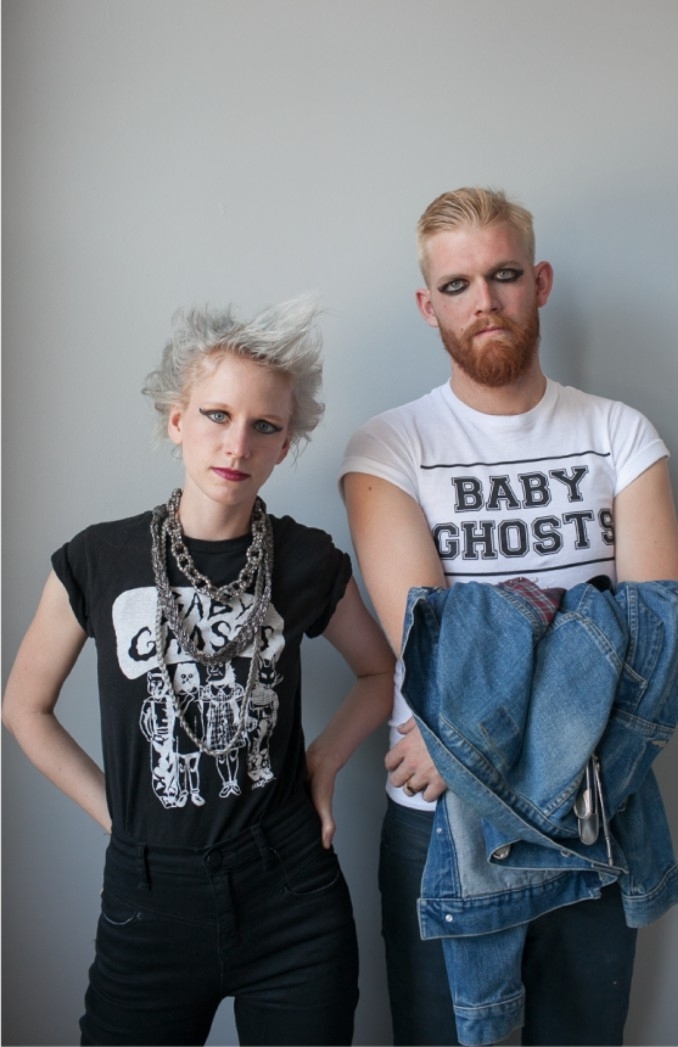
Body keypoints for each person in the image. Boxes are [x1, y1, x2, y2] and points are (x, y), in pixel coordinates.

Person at [340, 187, 678, 1046]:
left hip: (591, 821)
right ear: (429, 307)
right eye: (458, 285)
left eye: (503, 275)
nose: (485, 301)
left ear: (539, 282)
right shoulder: (390, 447)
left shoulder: (620, 433)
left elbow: (664, 636)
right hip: (437, 830)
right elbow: (434, 648)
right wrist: (582, 623)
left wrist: (464, 733)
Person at [2, 295, 395, 1046]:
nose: (237, 443)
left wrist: (322, 762)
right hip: (149, 901)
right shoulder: (97, 559)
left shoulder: (307, 559)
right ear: (177, 420)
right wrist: (119, 816)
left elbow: (379, 674)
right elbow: (24, 707)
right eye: (216, 414)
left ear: (285, 445)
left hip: (290, 894)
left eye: (264, 426)